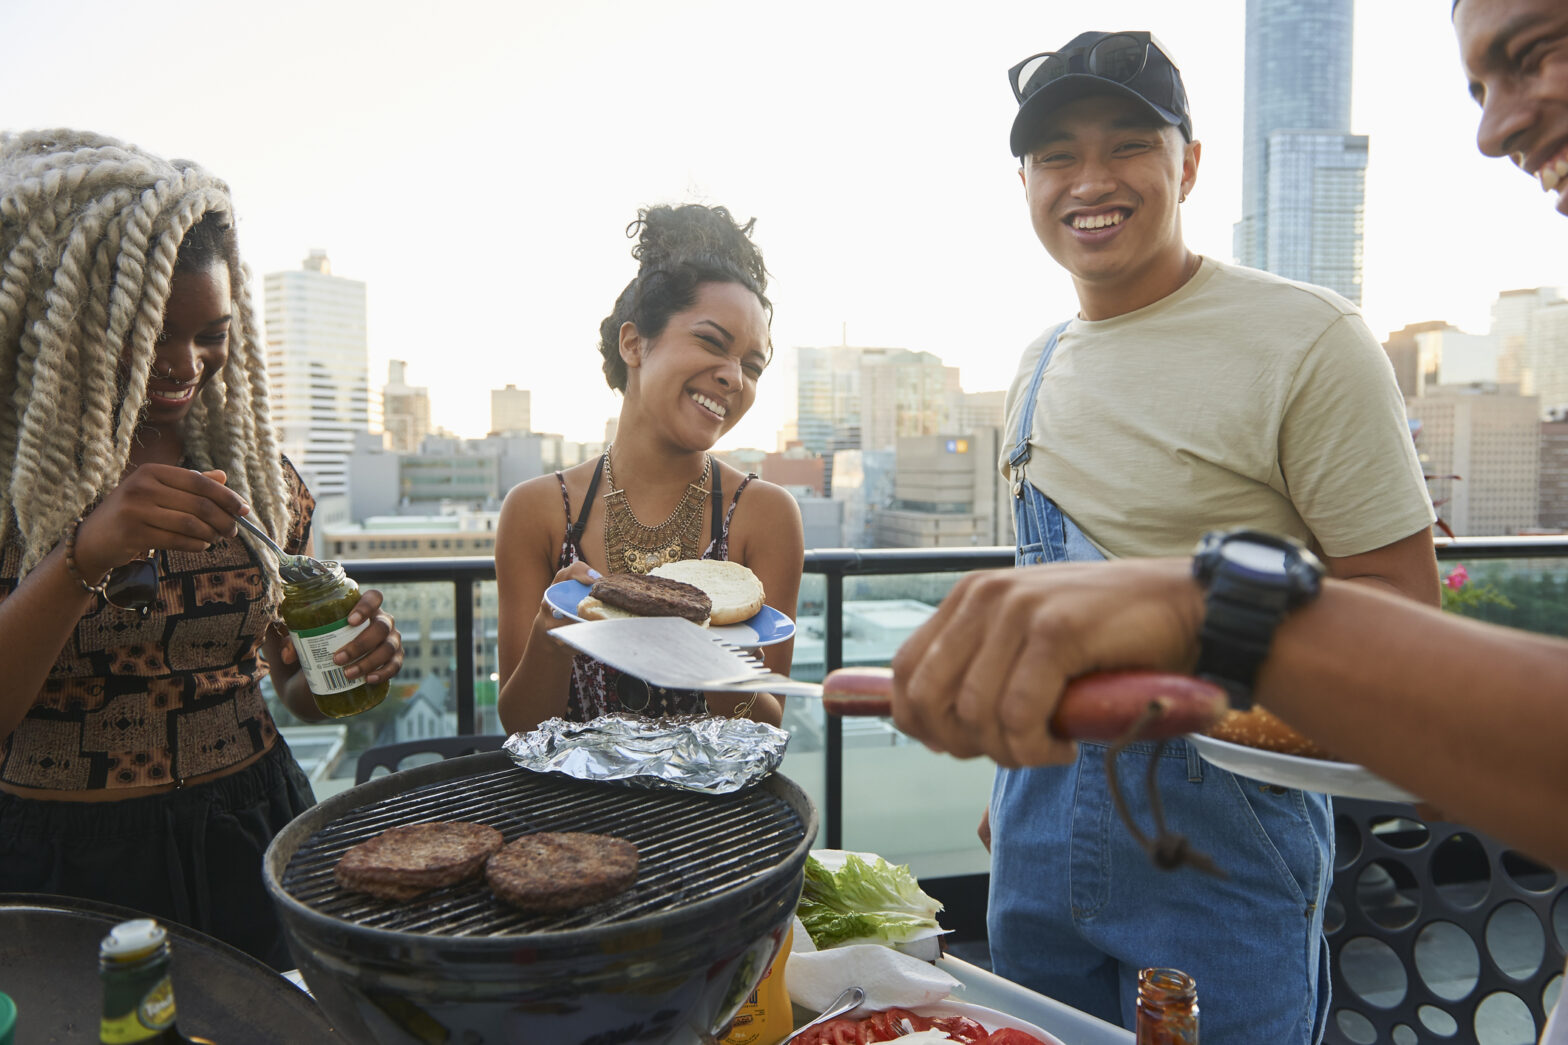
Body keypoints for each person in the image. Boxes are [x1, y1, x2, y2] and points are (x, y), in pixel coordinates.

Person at [975, 31, 1442, 1043]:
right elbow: (1037, 599)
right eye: (1055, 153)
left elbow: (1403, 607)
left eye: (1127, 144)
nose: (1088, 180)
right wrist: (1004, 786)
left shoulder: (1308, 339)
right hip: (1031, 846)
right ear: (1024, 181)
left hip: (1225, 856)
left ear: (1187, 163)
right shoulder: (1034, 363)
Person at [0, 129, 404, 970]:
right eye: (155, 335)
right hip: (61, 868)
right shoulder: (16, 488)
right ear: (73, 329)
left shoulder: (259, 475)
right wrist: (86, 552)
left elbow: (281, 678)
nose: (187, 364)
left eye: (212, 333)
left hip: (252, 837)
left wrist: (338, 670)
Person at [495, 204, 803, 734]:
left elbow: (767, 725)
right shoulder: (538, 510)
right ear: (634, 343)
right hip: (573, 813)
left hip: (716, 815)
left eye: (752, 367)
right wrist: (556, 628)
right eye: (711, 342)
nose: (733, 377)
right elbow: (520, 725)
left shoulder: (766, 513)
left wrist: (703, 649)